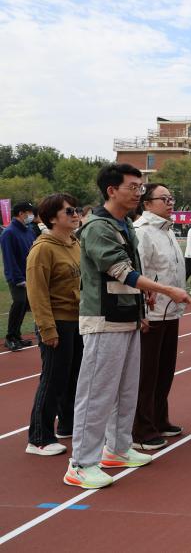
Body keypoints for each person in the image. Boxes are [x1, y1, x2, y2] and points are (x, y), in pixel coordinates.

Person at [64, 164, 190, 490]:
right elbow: (122, 271)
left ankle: (117, 449)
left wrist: (145, 295)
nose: (138, 193)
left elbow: (134, 271)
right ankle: (81, 464)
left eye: (140, 187)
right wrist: (166, 289)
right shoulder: (97, 227)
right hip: (104, 319)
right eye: (133, 187)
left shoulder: (125, 225)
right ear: (112, 190)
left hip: (128, 317)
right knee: (96, 393)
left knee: (126, 389)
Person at [132, 183, 188, 451]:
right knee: (147, 374)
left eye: (171, 198)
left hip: (170, 311)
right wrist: (141, 311)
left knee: (165, 371)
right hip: (152, 314)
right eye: (163, 199)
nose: (170, 203)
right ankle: (140, 429)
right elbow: (137, 273)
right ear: (146, 203)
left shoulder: (167, 230)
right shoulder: (141, 231)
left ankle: (158, 418)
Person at [25, 194, 82, 457]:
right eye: (69, 211)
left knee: (73, 376)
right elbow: (37, 294)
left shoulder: (74, 243)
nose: (75, 214)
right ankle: (39, 437)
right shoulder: (42, 249)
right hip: (57, 322)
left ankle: (67, 424)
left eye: (76, 210)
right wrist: (47, 329)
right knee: (53, 378)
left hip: (77, 320)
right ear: (51, 218)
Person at [2, 201, 37, 350]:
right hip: (18, 278)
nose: (32, 215)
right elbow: (9, 258)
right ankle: (10, 337)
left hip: (30, 275)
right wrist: (18, 279)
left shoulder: (29, 230)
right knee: (19, 302)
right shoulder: (9, 232)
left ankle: (16, 336)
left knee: (24, 306)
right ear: (21, 213)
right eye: (30, 212)